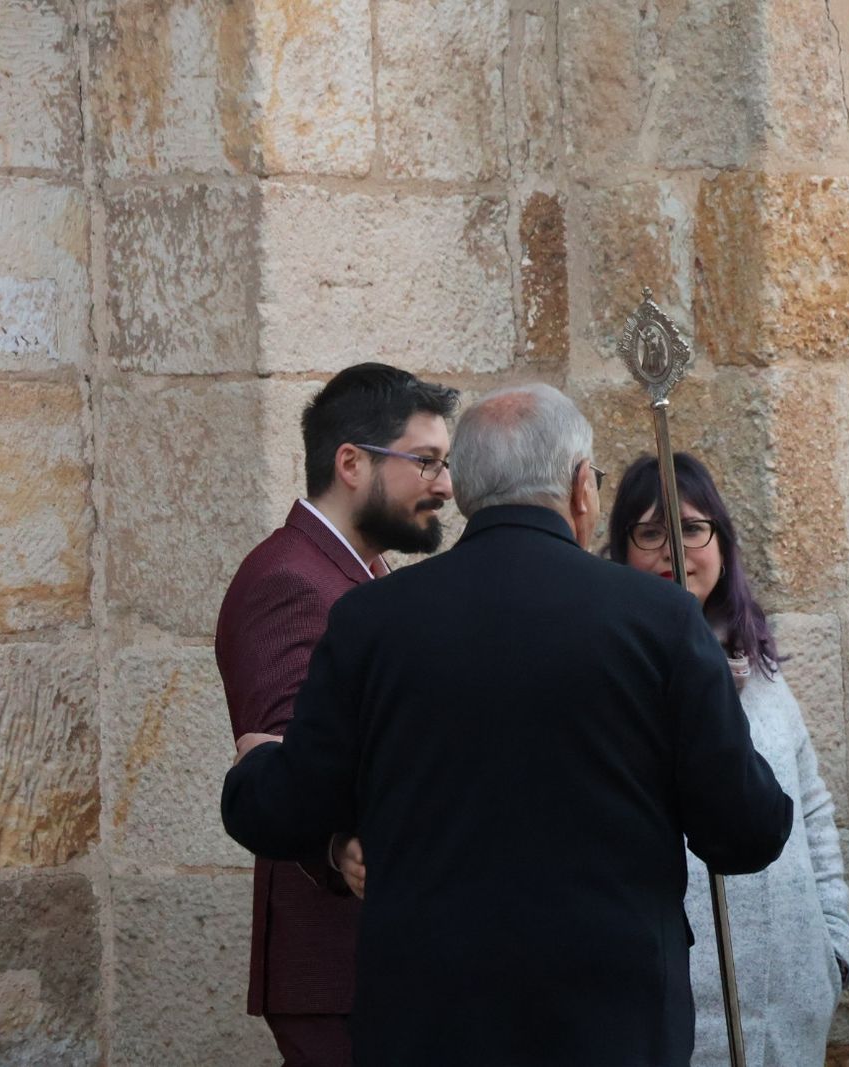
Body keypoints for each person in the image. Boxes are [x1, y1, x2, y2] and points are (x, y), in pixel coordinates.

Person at [221, 384, 793, 1067]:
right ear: (583, 489)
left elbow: (286, 809)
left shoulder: (374, 620)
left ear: (464, 492)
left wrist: (254, 769)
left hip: (428, 1025)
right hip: (611, 1020)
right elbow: (748, 829)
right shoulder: (660, 618)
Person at [214, 362, 459, 1066]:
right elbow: (289, 770)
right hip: (341, 964)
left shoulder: (357, 571)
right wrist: (335, 847)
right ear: (351, 462)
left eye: (446, 463)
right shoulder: (291, 579)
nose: (445, 485)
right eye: (426, 462)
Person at [607, 452, 849, 1067]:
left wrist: (835, 941)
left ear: (720, 539)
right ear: (621, 551)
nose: (674, 552)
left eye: (692, 529)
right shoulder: (608, 674)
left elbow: (813, 810)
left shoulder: (765, 673)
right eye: (650, 534)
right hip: (672, 993)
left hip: (791, 988)